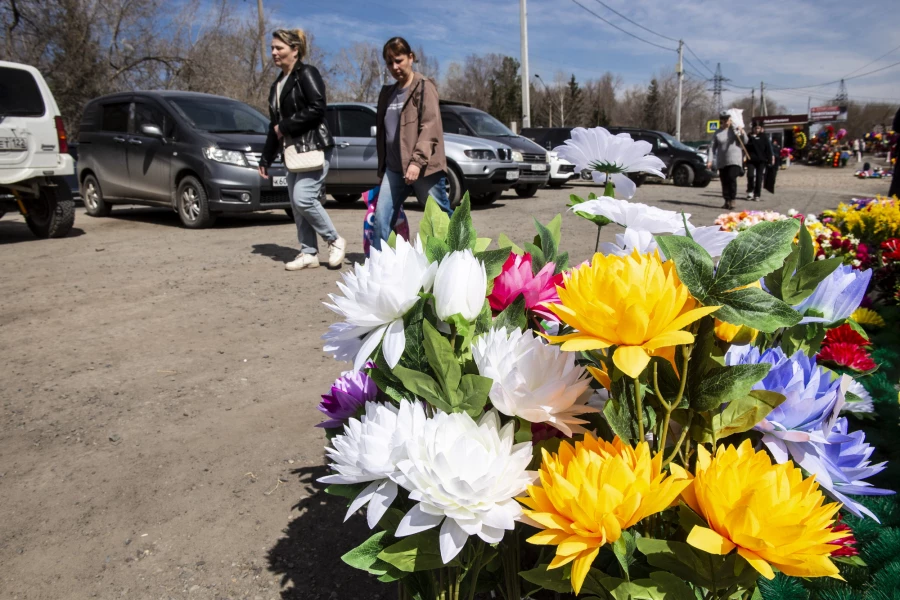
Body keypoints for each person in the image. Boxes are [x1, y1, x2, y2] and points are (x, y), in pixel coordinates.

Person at [258, 28, 345, 271]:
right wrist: (265, 157)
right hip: (291, 151)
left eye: (279, 48)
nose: (274, 52)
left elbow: (317, 107)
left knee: (304, 198)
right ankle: (308, 253)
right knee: (296, 205)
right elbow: (275, 127)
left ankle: (334, 240)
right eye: (272, 48)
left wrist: (286, 125)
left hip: (314, 146)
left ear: (295, 50)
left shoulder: (306, 73)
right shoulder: (277, 85)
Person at [373, 36, 450, 251]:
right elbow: (384, 134)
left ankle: (460, 258)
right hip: (394, 169)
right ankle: (379, 265)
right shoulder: (387, 94)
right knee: (381, 219)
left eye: (398, 60)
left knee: (440, 217)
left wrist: (416, 162)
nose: (394, 67)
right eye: (389, 63)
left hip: (424, 167)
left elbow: (430, 126)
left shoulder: (423, 87)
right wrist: (383, 168)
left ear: (410, 57)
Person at [708, 113, 748, 210]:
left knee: (731, 178)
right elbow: (712, 148)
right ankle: (727, 200)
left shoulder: (735, 131)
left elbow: (745, 141)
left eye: (728, 120)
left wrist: (742, 132)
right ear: (721, 121)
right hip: (722, 161)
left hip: (734, 160)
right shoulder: (717, 133)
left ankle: (732, 199)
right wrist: (710, 160)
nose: (726, 122)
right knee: (724, 181)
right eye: (724, 120)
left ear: (731, 120)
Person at [745, 122, 774, 201]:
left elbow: (768, 148)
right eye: (755, 128)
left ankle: (757, 194)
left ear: (761, 129)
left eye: (758, 128)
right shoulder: (749, 136)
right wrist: (752, 138)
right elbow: (746, 146)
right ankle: (750, 191)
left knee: (759, 177)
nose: (757, 130)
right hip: (751, 160)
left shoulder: (764, 137)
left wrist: (770, 159)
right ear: (753, 128)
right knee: (750, 175)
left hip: (761, 160)